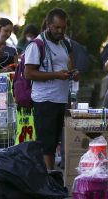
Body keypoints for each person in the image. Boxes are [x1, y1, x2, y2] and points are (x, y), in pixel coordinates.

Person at [24, 8, 79, 170]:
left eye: (63, 27)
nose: (60, 31)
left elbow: (68, 66)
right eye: (56, 27)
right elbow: (29, 73)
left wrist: (73, 73)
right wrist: (56, 75)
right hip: (44, 100)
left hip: (60, 98)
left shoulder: (64, 43)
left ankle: (51, 177)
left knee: (55, 141)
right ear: (48, 25)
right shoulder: (37, 44)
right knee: (46, 143)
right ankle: (49, 177)